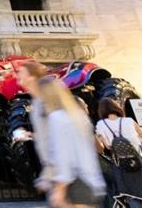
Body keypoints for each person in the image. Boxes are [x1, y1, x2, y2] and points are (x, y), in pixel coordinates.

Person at [39, 77, 106, 208]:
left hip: (75, 184)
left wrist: (60, 188)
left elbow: (65, 156)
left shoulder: (57, 118)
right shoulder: (80, 117)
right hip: (91, 180)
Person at [94, 98, 142, 208]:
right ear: (116, 107)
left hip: (119, 165)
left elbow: (105, 147)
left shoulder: (100, 124)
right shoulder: (129, 121)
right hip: (138, 161)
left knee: (130, 194)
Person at [16, 60, 53, 192]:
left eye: (21, 72)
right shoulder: (37, 102)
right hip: (53, 170)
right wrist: (30, 135)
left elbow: (60, 136)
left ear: (31, 77)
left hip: (66, 173)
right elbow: (48, 134)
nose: (17, 74)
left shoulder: (46, 100)